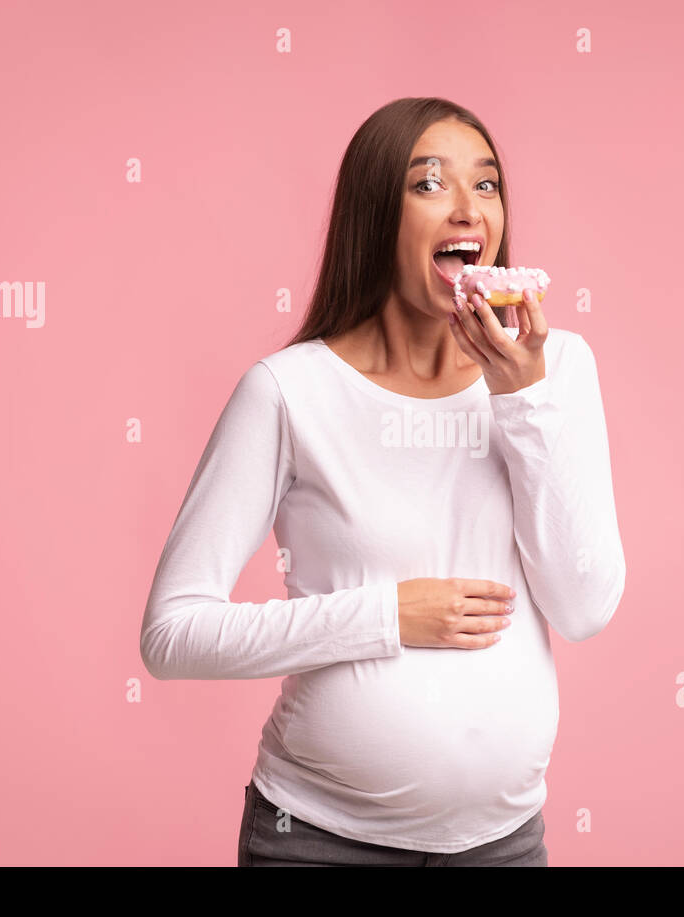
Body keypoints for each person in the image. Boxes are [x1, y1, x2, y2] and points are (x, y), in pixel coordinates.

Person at [139, 97, 625, 866]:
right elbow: (172, 635)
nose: (469, 209)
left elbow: (584, 605)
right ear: (375, 217)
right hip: (318, 842)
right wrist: (386, 616)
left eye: (488, 185)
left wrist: (523, 400)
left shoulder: (558, 367)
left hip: (503, 846)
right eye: (430, 184)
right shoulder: (289, 392)